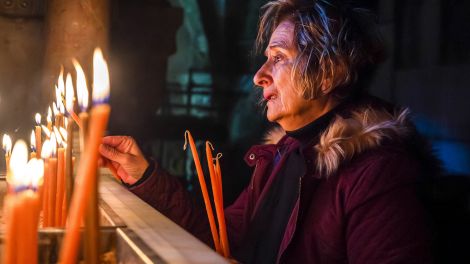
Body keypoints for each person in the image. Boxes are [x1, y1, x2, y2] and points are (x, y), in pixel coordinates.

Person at [99, 0, 436, 263]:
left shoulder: (379, 174)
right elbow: (222, 238)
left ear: (328, 73)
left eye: (278, 57)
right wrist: (144, 176)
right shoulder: (282, 156)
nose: (260, 75)